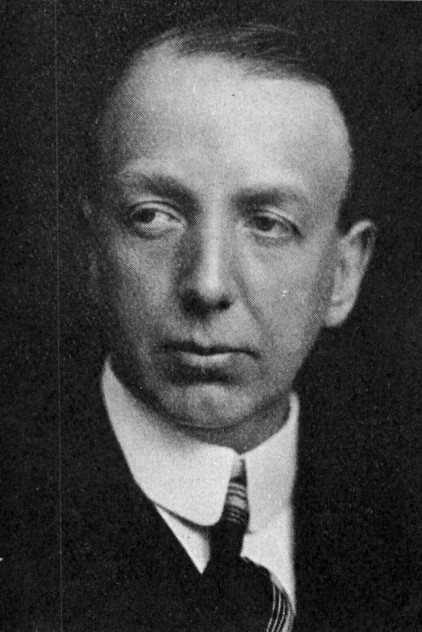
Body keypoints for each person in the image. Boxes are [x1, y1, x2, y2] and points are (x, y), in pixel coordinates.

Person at [4, 20, 421, 632]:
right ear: (92, 251)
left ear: (343, 273)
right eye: (153, 216)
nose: (207, 284)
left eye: (268, 224)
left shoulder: (400, 527)